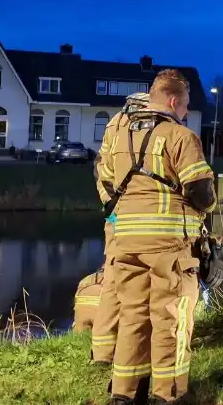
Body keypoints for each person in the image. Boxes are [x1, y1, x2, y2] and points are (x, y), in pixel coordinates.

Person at [99, 70, 215, 405]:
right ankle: (170, 393)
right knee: (171, 317)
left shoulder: (119, 135)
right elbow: (200, 191)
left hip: (125, 241)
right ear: (175, 101)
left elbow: (106, 183)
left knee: (133, 314)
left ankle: (124, 393)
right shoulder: (180, 136)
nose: (185, 111)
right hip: (168, 244)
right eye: (186, 106)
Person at [92, 92, 150, 365]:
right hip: (132, 217)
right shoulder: (136, 128)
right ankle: (116, 351)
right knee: (125, 284)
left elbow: (103, 171)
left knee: (113, 281)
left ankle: (103, 348)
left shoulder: (114, 123)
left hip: (114, 215)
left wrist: (111, 207)